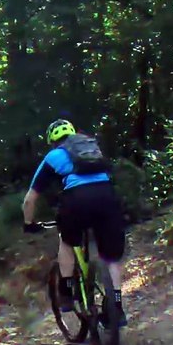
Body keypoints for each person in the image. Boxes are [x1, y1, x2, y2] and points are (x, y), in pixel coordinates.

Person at [21, 119, 127, 325]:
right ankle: (117, 307)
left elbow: (29, 200)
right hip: (107, 197)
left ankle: (67, 293)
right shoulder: (92, 147)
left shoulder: (53, 156)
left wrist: (29, 223)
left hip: (77, 199)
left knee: (68, 242)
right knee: (112, 258)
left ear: (52, 141)